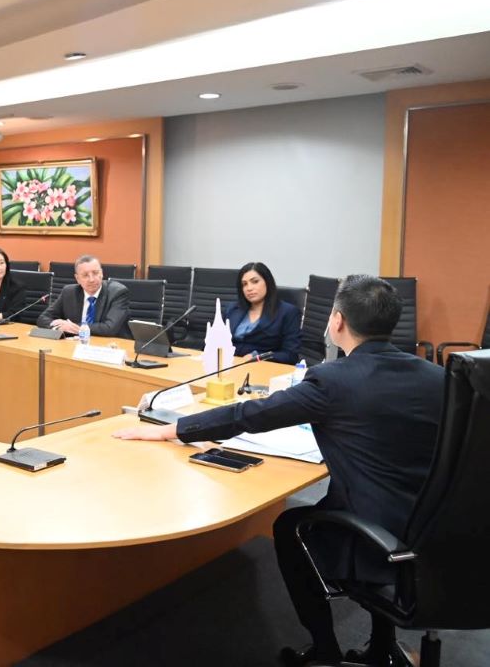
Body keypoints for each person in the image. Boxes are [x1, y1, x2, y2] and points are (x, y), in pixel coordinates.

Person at [114, 275, 445, 666]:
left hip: (376, 535)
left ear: (337, 321)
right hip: (437, 527)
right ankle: (381, 646)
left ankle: (325, 649)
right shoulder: (437, 376)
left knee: (290, 527)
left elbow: (249, 414)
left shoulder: (333, 380)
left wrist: (171, 429)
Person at [223, 262, 302, 364]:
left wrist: (258, 356)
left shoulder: (288, 312)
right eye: (244, 284)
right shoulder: (232, 309)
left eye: (255, 282)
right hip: (230, 364)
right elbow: (214, 340)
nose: (249, 288)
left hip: (262, 366)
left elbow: (290, 355)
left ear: (267, 282)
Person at [37, 255, 129, 337]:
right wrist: (59, 327)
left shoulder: (117, 293)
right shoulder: (69, 292)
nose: (91, 279)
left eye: (95, 273)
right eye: (85, 275)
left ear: (101, 273)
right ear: (77, 279)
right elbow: (43, 318)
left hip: (109, 345)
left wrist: (75, 328)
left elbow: (109, 328)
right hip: (75, 344)